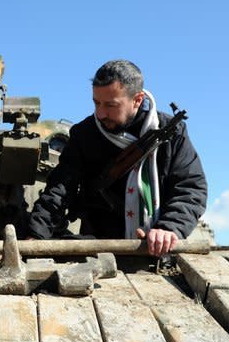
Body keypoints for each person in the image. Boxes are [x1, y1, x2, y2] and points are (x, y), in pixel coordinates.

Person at [27, 60, 207, 256]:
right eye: (96, 103)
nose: (100, 113)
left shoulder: (171, 133)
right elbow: (59, 190)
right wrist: (36, 235)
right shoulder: (84, 134)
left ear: (137, 100)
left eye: (111, 105)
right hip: (98, 251)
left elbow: (190, 187)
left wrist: (169, 228)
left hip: (157, 251)